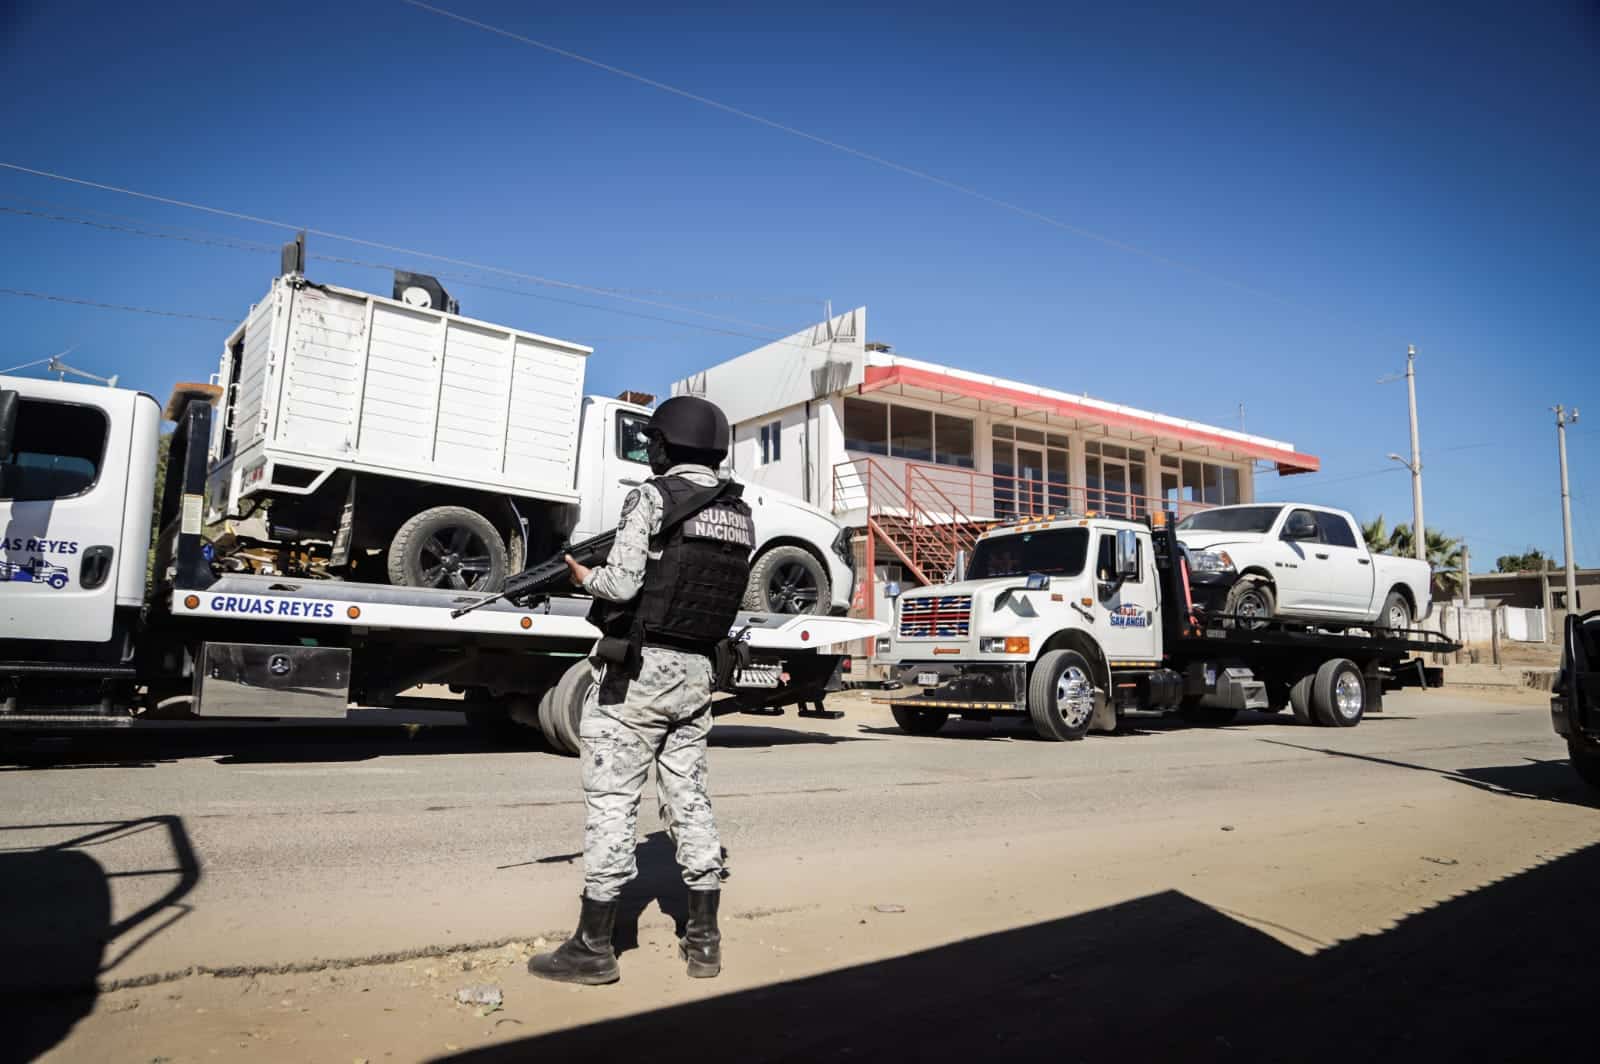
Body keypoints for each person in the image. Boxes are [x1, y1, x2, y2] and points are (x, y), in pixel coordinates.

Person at [527, 395, 755, 986]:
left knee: (613, 800)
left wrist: (583, 577)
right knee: (690, 798)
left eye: (652, 440)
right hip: (698, 673)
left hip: (640, 675)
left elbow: (623, 584)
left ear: (666, 444)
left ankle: (594, 947)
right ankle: (704, 941)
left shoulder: (651, 497)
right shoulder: (738, 513)